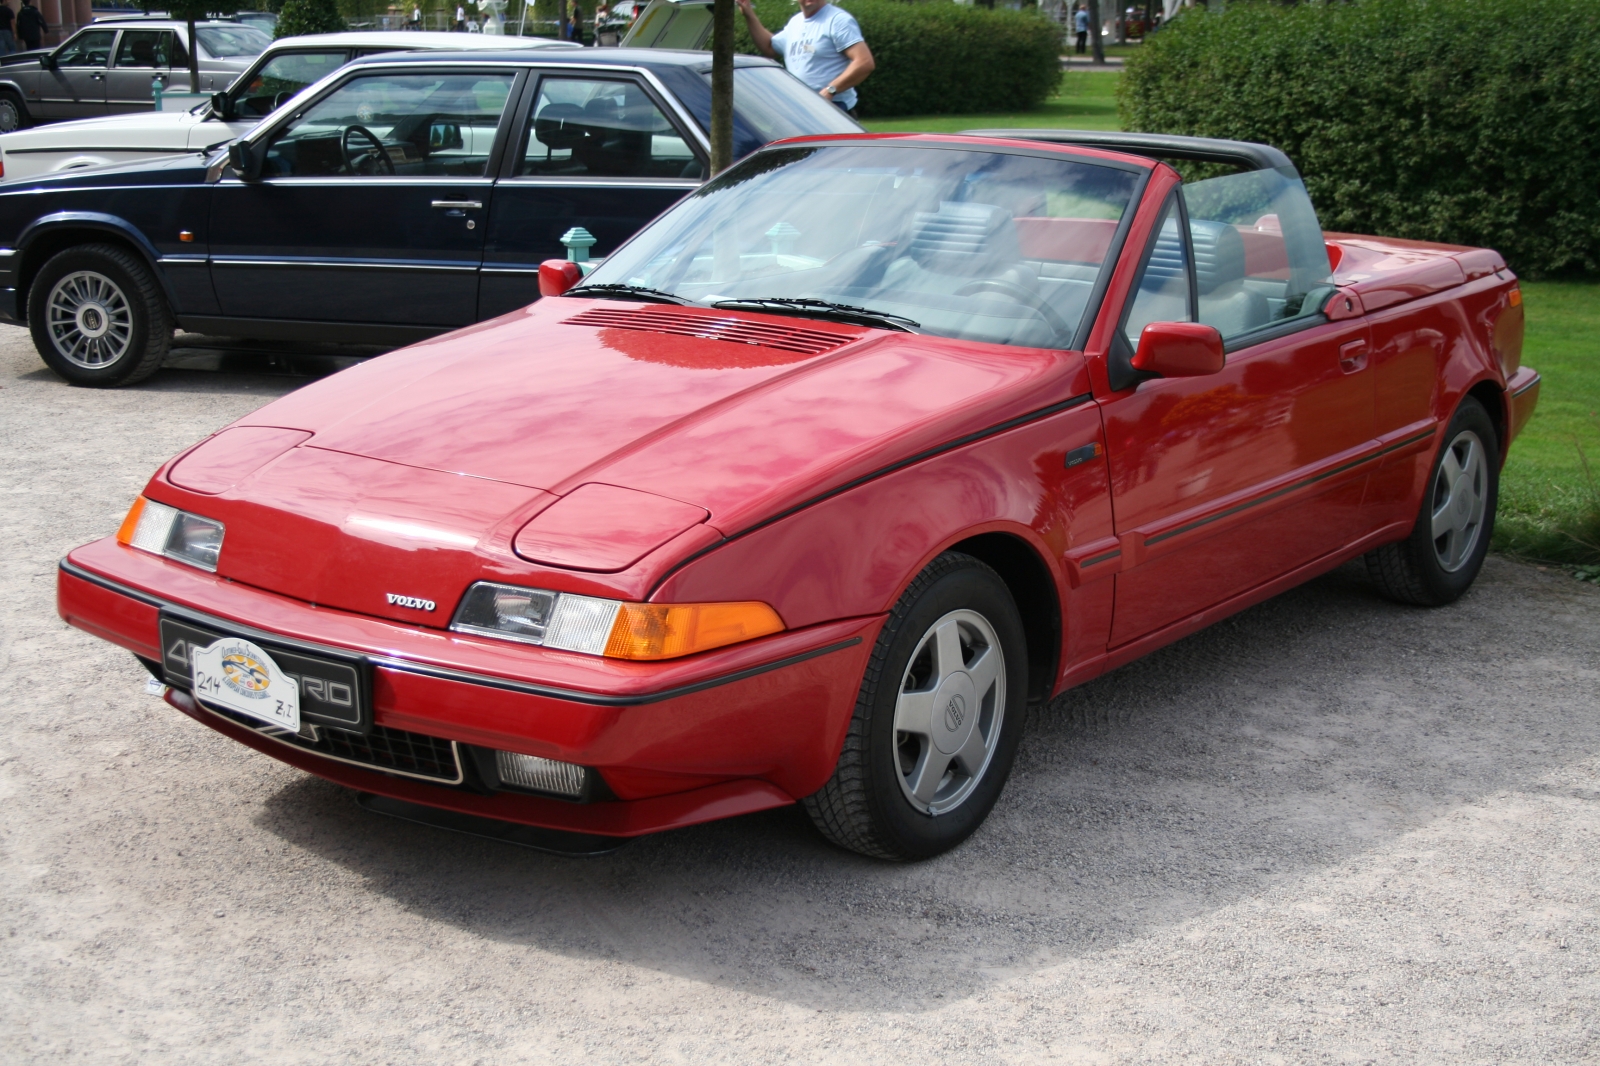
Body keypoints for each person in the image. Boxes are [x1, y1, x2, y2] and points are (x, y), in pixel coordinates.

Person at [736, 0, 874, 117]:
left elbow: (864, 62)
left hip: (834, 111)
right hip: (801, 109)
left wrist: (830, 91)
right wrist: (749, 14)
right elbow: (769, 47)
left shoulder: (838, 20)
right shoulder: (796, 22)